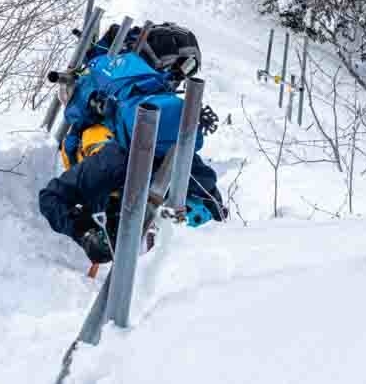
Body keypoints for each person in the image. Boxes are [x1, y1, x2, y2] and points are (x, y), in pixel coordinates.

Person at [38, 26, 226, 264]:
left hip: (117, 153)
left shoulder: (114, 72)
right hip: (161, 153)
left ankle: (105, 228)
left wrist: (84, 233)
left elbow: (52, 197)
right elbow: (215, 203)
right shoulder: (178, 138)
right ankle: (173, 223)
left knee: (55, 194)